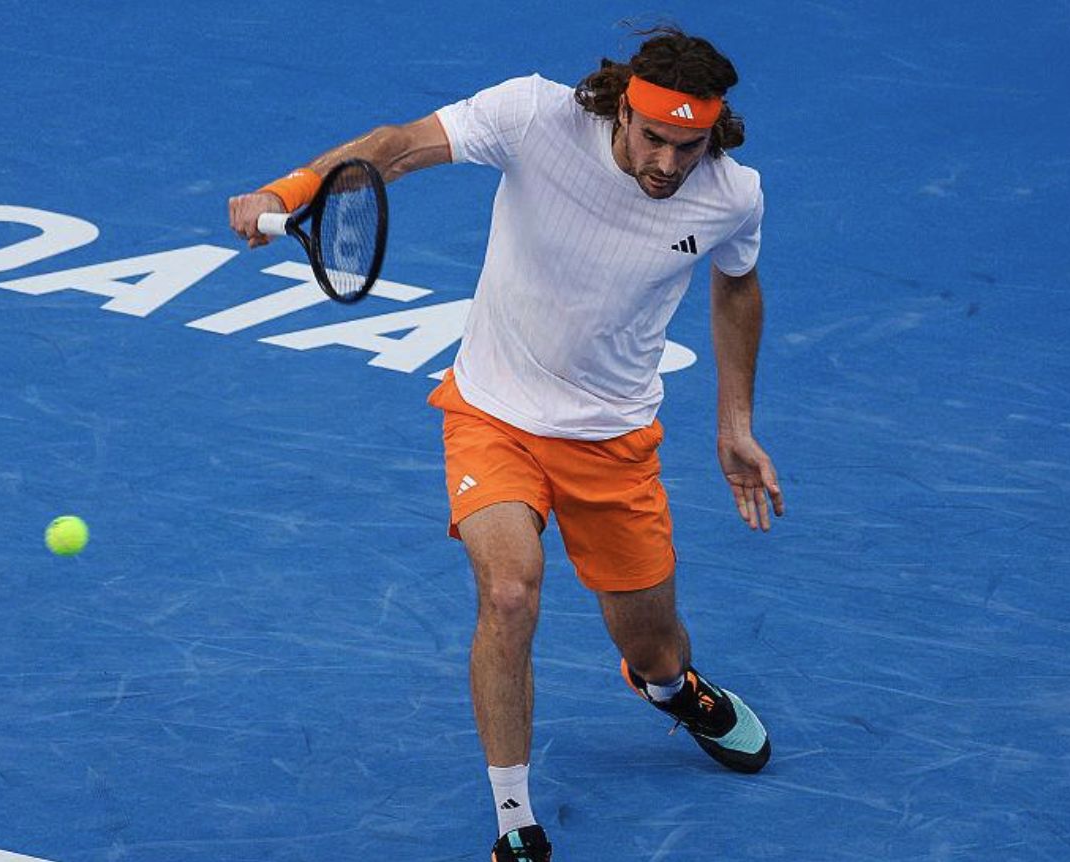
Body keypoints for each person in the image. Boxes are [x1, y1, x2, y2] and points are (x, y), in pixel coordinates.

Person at [229, 25, 785, 862]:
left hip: (612, 439)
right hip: (493, 415)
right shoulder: (532, 116)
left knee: (651, 644)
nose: (669, 164)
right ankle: (515, 820)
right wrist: (290, 187)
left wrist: (734, 423)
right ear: (622, 111)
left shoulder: (733, 197)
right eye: (654, 139)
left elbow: (737, 285)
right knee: (511, 593)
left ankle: (670, 687)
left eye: (689, 146)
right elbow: (399, 146)